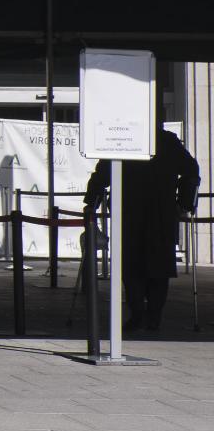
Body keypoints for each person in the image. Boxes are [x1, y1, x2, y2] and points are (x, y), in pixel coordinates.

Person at [83, 124, 200, 332]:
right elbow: (192, 170)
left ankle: (139, 315)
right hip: (157, 212)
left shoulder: (127, 138)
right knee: (155, 267)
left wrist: (92, 200)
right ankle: (151, 317)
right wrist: (184, 203)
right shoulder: (166, 141)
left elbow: (102, 173)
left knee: (134, 266)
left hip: (133, 210)